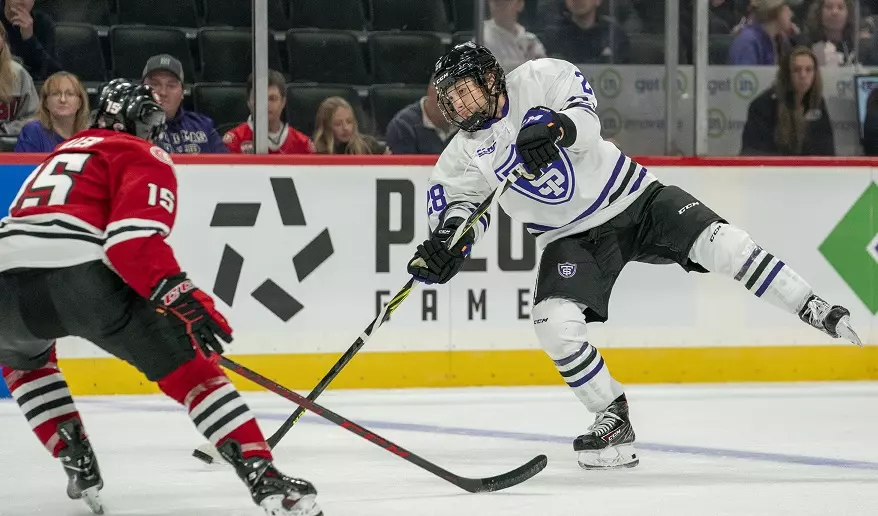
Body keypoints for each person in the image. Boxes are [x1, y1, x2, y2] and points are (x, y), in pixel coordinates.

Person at [406, 42, 861, 470]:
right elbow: (459, 211)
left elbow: (586, 122)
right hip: (569, 237)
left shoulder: (540, 77)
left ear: (490, 79)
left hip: (634, 198)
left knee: (724, 243)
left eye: (463, 91)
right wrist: (450, 244)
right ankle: (612, 415)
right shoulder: (461, 157)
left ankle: (810, 305)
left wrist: (559, 127)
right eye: (450, 99)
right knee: (552, 321)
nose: (457, 105)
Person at [0, 79, 321, 516]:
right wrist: (185, 299)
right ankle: (263, 477)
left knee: (23, 360)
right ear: (139, 121)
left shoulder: (61, 152)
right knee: (194, 373)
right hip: (79, 280)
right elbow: (130, 243)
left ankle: (73, 453)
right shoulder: (140, 152)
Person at [740, 46, 834, 155]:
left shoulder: (817, 102)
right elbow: (752, 152)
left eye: (809, 70)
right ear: (786, 74)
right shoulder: (763, 105)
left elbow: (827, 151)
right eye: (796, 70)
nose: (803, 75)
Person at [141, 53, 227, 154]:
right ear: (141, 89)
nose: (163, 93)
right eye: (154, 84)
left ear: (182, 93)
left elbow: (227, 163)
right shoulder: (129, 129)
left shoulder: (203, 126)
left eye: (171, 85)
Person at [223, 69, 314, 154]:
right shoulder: (234, 141)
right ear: (249, 102)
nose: (265, 104)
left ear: (283, 102)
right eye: (259, 97)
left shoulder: (303, 144)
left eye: (272, 98)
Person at [15, 71, 89, 152]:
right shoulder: (33, 132)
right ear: (46, 103)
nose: (63, 100)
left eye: (70, 94)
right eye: (55, 94)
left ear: (80, 103)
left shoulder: (91, 136)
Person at [313, 96, 389, 154]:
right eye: (338, 124)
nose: (345, 128)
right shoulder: (315, 151)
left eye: (349, 121)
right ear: (326, 126)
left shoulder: (369, 146)